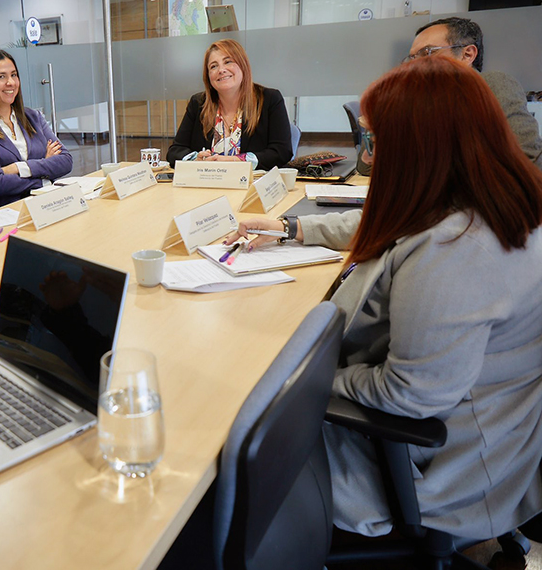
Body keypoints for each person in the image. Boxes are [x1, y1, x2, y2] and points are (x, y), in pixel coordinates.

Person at [225, 56, 542, 541]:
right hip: (480, 425)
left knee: (225, 433)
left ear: (423, 145)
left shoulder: (457, 253)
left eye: (374, 140)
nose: (368, 156)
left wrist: (296, 382)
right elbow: (396, 220)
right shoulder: (488, 198)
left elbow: (409, 395)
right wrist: (293, 227)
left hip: (427, 465)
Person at [394, 17, 541, 168]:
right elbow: (371, 162)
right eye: (412, 58)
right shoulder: (421, 101)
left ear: (467, 55)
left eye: (427, 52)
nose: (415, 64)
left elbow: (528, 158)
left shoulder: (491, 85)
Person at [0, 48, 73, 212]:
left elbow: (65, 161)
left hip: (46, 205)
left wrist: (17, 168)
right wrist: (44, 174)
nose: (11, 82)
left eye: (13, 75)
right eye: (1, 77)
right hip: (8, 212)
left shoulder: (33, 117)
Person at [166, 39, 293, 171]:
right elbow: (175, 151)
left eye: (228, 62)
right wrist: (195, 159)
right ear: (208, 76)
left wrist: (236, 160)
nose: (221, 70)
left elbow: (282, 152)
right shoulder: (198, 103)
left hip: (251, 186)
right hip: (207, 185)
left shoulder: (269, 99)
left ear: (243, 65)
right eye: (213, 66)